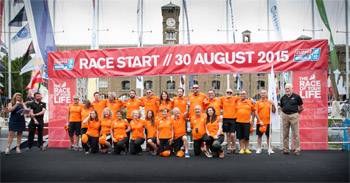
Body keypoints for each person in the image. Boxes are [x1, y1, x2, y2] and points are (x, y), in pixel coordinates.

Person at [280, 83, 303, 155]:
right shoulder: (283, 98)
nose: (287, 90)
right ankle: (286, 149)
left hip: (294, 116)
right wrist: (284, 113)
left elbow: (301, 107)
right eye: (286, 88)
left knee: (296, 133)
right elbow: (281, 107)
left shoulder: (297, 97)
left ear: (292, 89)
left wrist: (296, 114)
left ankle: (297, 149)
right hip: (285, 116)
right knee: (285, 133)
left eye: (288, 88)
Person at [255, 89, 276, 154]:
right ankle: (259, 148)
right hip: (260, 123)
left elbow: (274, 111)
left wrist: (273, 104)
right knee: (259, 136)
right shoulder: (258, 102)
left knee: (269, 136)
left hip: (268, 122)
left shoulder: (269, 102)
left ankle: (269, 148)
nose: (263, 94)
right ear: (260, 94)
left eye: (264, 93)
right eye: (262, 93)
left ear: (266, 94)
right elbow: (256, 112)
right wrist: (259, 121)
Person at [235, 90, 255, 154]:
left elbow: (253, 111)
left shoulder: (250, 102)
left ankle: (246, 149)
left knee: (246, 136)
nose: (242, 95)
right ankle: (241, 149)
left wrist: (252, 120)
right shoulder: (237, 102)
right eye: (241, 94)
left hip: (247, 122)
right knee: (240, 136)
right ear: (239, 95)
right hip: (238, 121)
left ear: (246, 95)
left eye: (244, 94)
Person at [220, 88, 239, 154]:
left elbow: (243, 98)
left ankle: (234, 147)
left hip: (233, 119)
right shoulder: (222, 98)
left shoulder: (235, 98)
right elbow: (218, 104)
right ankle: (229, 147)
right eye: (228, 92)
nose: (229, 94)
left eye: (230, 92)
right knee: (227, 134)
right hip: (225, 118)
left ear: (232, 93)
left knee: (232, 134)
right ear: (226, 93)